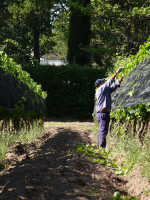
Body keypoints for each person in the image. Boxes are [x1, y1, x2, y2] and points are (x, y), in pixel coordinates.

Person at [94, 67, 124, 148]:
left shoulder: (106, 91)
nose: (104, 82)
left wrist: (122, 77)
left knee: (102, 130)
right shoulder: (100, 89)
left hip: (103, 114)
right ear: (99, 84)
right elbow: (109, 82)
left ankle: (99, 147)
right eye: (102, 82)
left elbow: (115, 85)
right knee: (103, 131)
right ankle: (101, 148)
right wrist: (116, 72)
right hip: (103, 114)